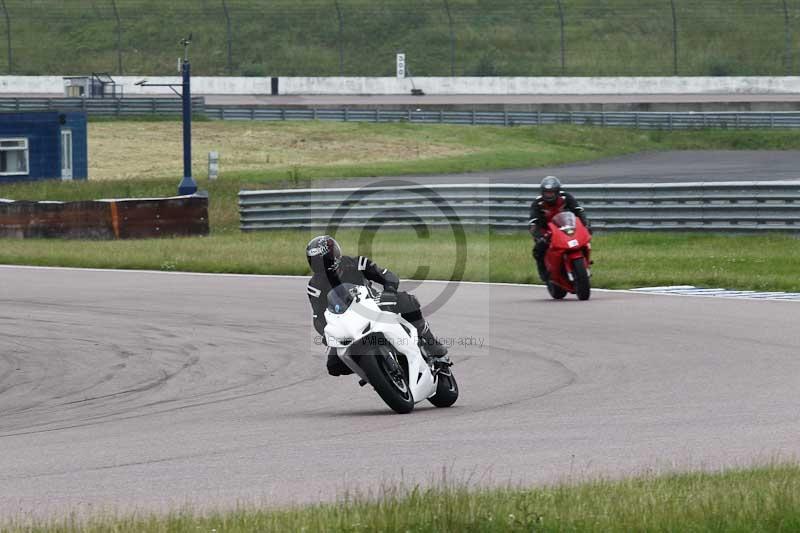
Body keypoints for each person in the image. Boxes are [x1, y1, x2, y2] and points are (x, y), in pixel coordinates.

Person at [305, 235, 450, 376]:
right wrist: (326, 334)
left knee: (407, 301)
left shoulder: (356, 263)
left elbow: (388, 276)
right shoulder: (315, 287)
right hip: (347, 321)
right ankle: (376, 373)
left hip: (372, 303)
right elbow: (317, 316)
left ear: (334, 255)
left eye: (323, 260)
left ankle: (432, 344)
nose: (321, 265)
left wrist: (390, 291)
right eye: (316, 262)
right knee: (334, 366)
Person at [528, 176, 591, 282]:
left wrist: (586, 225)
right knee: (538, 249)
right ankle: (544, 272)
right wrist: (539, 236)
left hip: (567, 227)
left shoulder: (566, 197)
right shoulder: (537, 203)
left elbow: (578, 211)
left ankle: (586, 262)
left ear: (557, 191)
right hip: (547, 231)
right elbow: (533, 223)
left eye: (552, 192)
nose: (549, 195)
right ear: (542, 192)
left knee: (585, 241)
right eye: (547, 192)